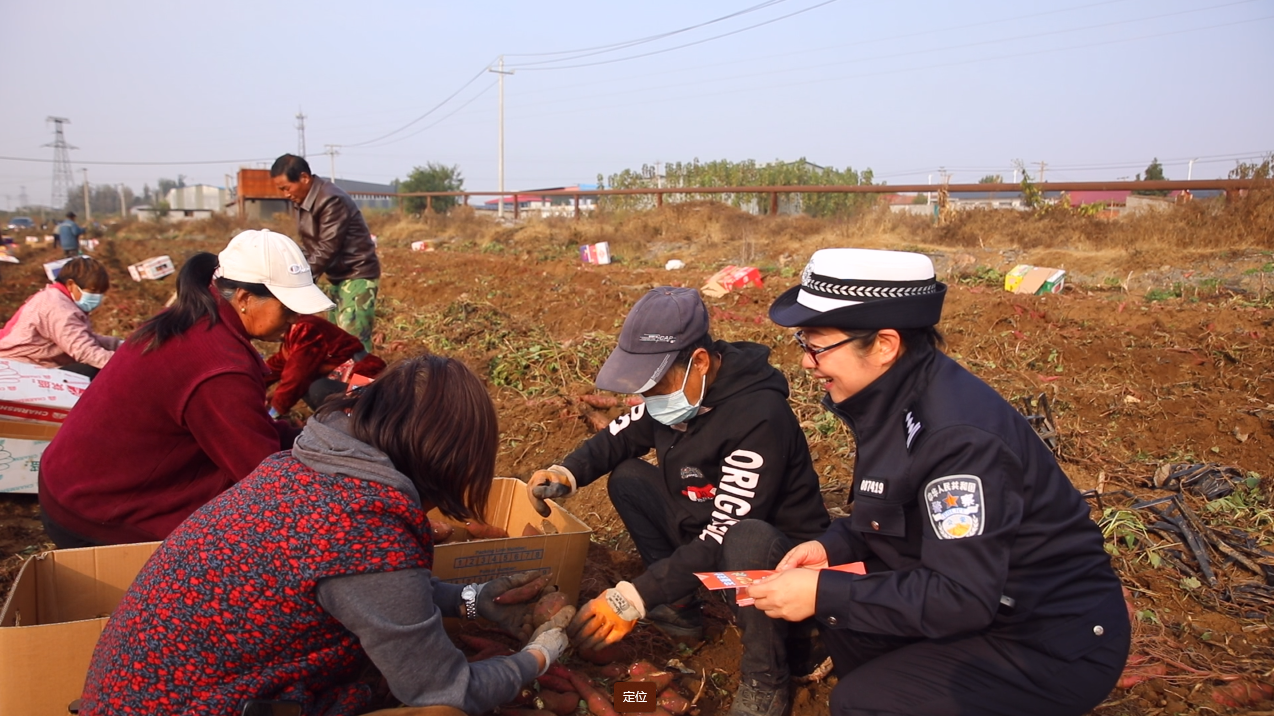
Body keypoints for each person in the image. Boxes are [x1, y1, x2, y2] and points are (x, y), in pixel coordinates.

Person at [748, 248, 1130, 716]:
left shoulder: (958, 439)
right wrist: (835, 547)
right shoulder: (891, 399)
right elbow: (894, 512)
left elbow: (962, 596)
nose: (807, 363)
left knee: (861, 700)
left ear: (885, 345)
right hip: (987, 601)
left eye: (817, 345)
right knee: (843, 623)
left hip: (1047, 639)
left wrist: (823, 590)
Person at [78, 355, 573, 716]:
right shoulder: (363, 528)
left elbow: (368, 593)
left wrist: (473, 599)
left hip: (138, 692)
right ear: (442, 461)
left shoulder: (301, 466)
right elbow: (443, 692)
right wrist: (536, 657)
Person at [531, 287, 829, 716]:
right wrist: (566, 473)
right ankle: (681, 608)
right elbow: (618, 439)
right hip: (707, 535)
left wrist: (633, 597)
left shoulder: (759, 417)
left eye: (655, 385)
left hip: (775, 565)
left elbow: (724, 532)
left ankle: (767, 678)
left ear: (700, 363)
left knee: (745, 539)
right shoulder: (676, 400)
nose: (648, 400)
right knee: (630, 478)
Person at [38, 229, 335, 548]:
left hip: (69, 484)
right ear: (245, 299)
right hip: (97, 514)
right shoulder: (218, 366)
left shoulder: (194, 318)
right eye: (288, 310)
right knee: (268, 534)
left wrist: (310, 437)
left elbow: (251, 429)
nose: (295, 320)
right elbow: (263, 477)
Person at [271, 153, 381, 352]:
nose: (285, 194)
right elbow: (311, 246)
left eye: (286, 188)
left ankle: (363, 383)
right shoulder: (304, 202)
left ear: (304, 178)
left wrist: (301, 281)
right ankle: (342, 383)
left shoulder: (330, 199)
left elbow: (328, 247)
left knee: (353, 343)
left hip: (356, 276)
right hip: (338, 278)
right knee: (337, 341)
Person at [0, 256, 120, 378]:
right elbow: (85, 351)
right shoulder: (59, 308)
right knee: (91, 372)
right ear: (71, 284)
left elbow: (83, 336)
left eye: (100, 292)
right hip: (23, 366)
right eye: (92, 291)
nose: (97, 297)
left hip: (36, 361)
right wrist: (126, 364)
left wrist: (120, 345)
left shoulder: (59, 298)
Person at [265, 314, 387, 417]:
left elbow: (297, 375)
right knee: (311, 388)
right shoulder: (291, 338)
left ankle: (359, 425)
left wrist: (274, 412)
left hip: (365, 380)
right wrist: (251, 385)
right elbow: (273, 368)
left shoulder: (305, 329)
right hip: (346, 383)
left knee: (318, 388)